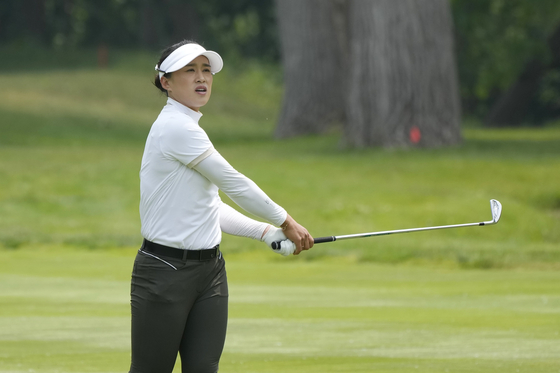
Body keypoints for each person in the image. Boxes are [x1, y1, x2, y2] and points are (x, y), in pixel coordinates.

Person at [129, 40, 314, 373]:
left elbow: (209, 206)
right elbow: (235, 183)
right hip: (164, 271)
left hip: (210, 272)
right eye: (190, 70)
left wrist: (265, 232)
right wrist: (286, 220)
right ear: (165, 82)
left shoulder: (190, 127)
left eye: (206, 70)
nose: (202, 78)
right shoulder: (176, 128)